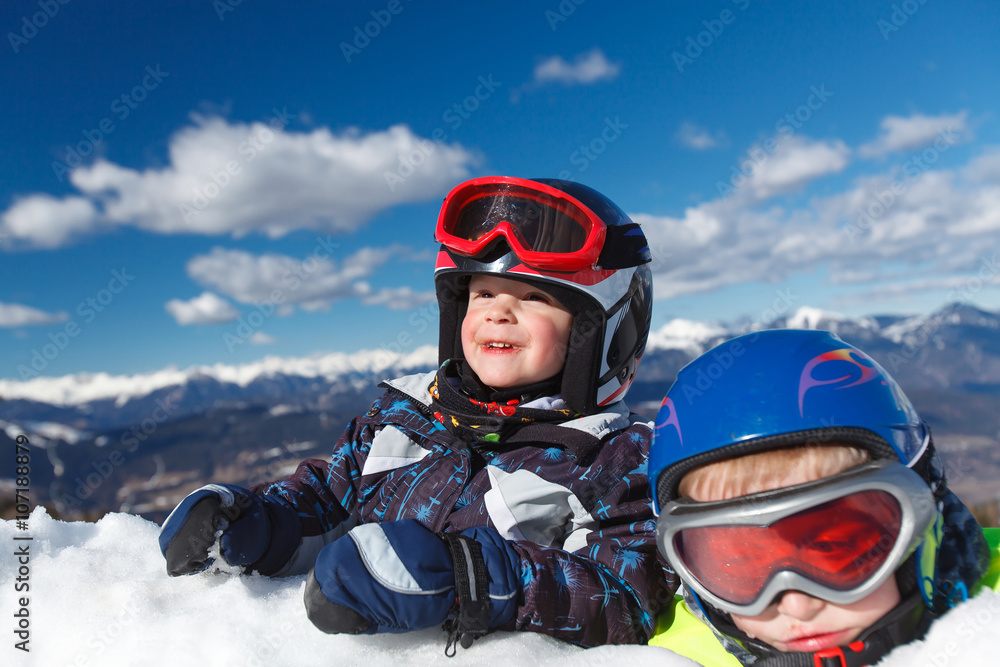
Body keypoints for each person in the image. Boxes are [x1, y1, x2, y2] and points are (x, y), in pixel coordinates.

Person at [158, 176, 675, 651]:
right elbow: (329, 499)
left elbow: (625, 598)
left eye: (536, 296)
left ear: (602, 332)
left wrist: (467, 579)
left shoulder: (613, 461)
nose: (498, 310)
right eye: (484, 292)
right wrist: (258, 525)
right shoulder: (401, 418)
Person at [646, 329, 998, 666]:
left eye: (836, 547)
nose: (797, 606)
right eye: (740, 565)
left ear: (921, 517)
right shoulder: (675, 660)